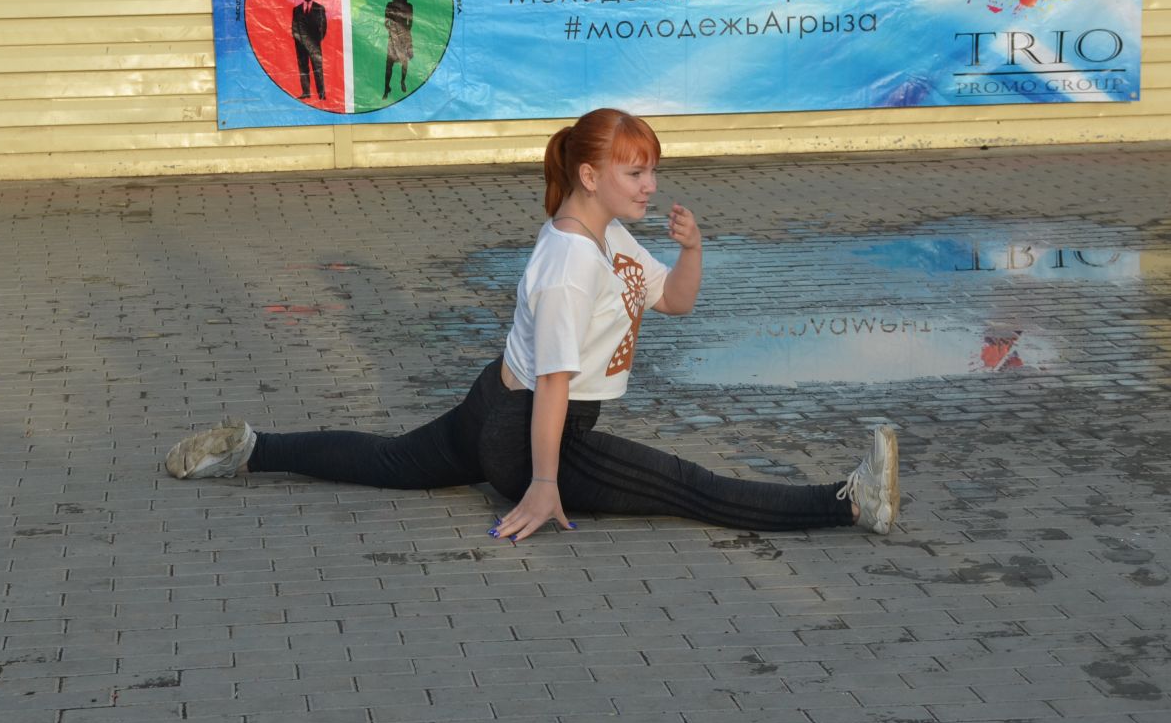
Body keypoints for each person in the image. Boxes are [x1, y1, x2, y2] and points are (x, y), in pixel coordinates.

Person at [164, 107, 902, 540]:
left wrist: (694, 251)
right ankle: (851, 502)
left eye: (651, 170)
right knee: (689, 486)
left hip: (499, 404)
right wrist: (543, 484)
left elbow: (673, 301)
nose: (650, 184)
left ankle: (254, 450)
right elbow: (554, 385)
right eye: (634, 172)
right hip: (525, 429)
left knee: (391, 463)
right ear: (590, 176)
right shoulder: (569, 266)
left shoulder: (606, 235)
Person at [290, 0, 327, 101]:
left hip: (314, 45)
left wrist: (316, 41)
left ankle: (321, 94)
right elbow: (294, 28)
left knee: (318, 69)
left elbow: (323, 27)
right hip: (300, 46)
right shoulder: (296, 9)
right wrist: (300, 42)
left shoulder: (319, 8)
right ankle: (306, 92)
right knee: (303, 69)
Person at [382, 0, 414, 98]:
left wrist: (403, 34)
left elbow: (410, 23)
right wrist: (393, 30)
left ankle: (402, 81)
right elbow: (386, 22)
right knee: (389, 65)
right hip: (393, 37)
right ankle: (386, 87)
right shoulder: (390, 5)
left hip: (404, 38)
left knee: (404, 63)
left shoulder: (409, 6)